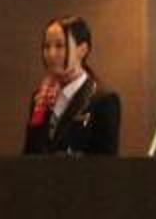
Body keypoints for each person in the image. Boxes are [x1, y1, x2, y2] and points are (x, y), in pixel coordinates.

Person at [23, 14, 120, 155]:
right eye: (47, 46)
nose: (51, 54)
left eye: (59, 46)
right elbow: (29, 154)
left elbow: (105, 162)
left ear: (83, 50)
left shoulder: (103, 100)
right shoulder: (40, 97)